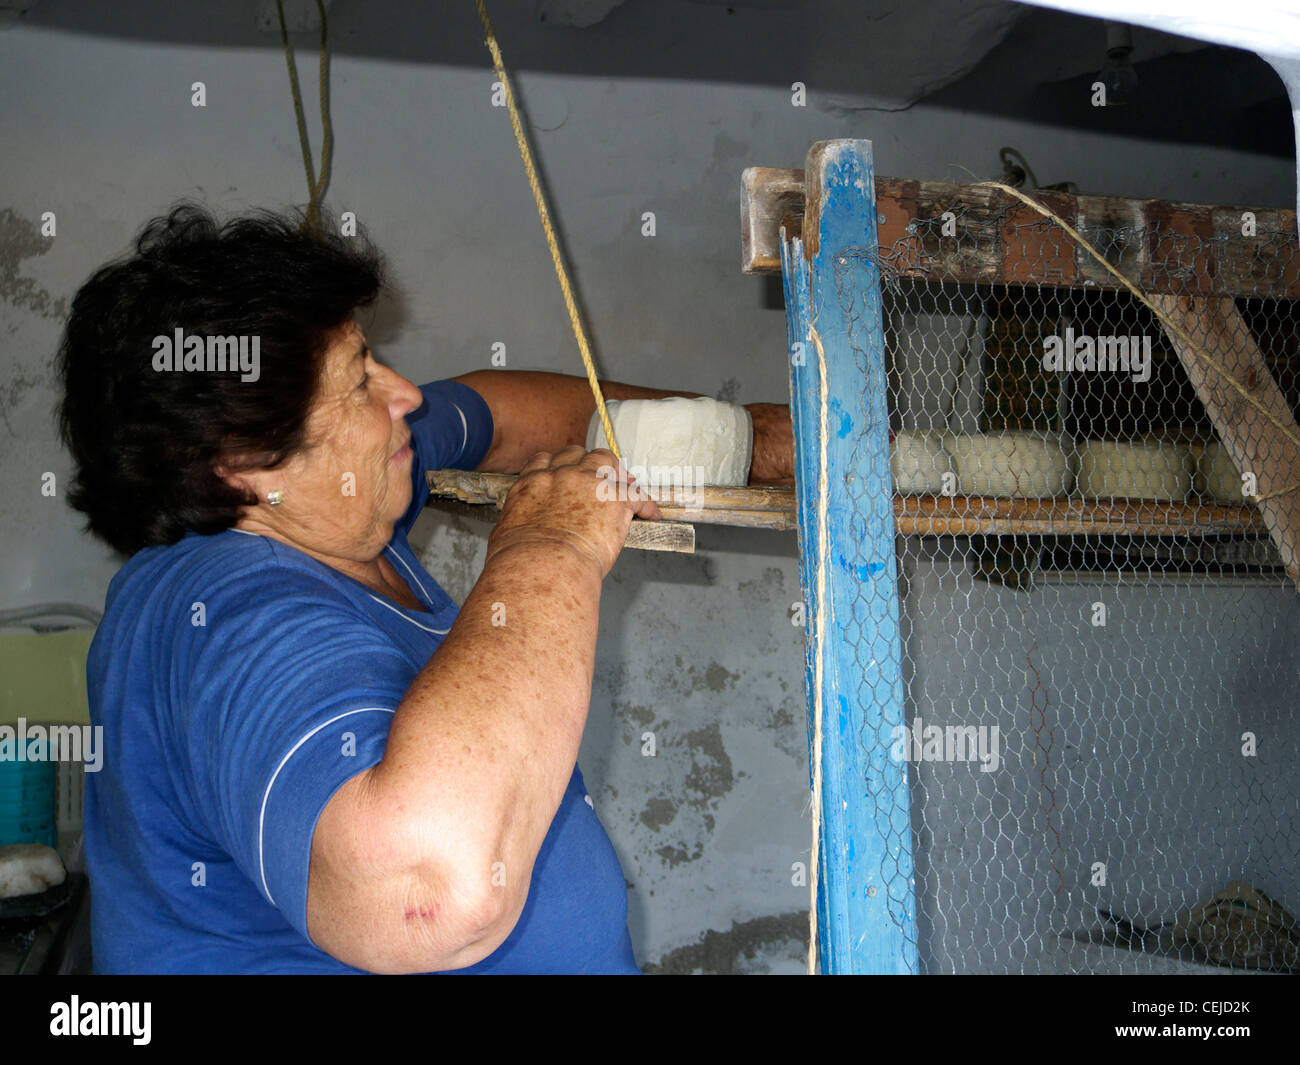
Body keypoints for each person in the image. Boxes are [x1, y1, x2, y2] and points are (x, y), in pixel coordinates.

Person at [56, 204, 794, 974]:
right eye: (358, 383)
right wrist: (551, 545)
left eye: (371, 356)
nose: (402, 392)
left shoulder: (334, 508)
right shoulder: (228, 616)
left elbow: (494, 414)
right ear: (243, 459)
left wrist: (742, 438)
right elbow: (436, 889)